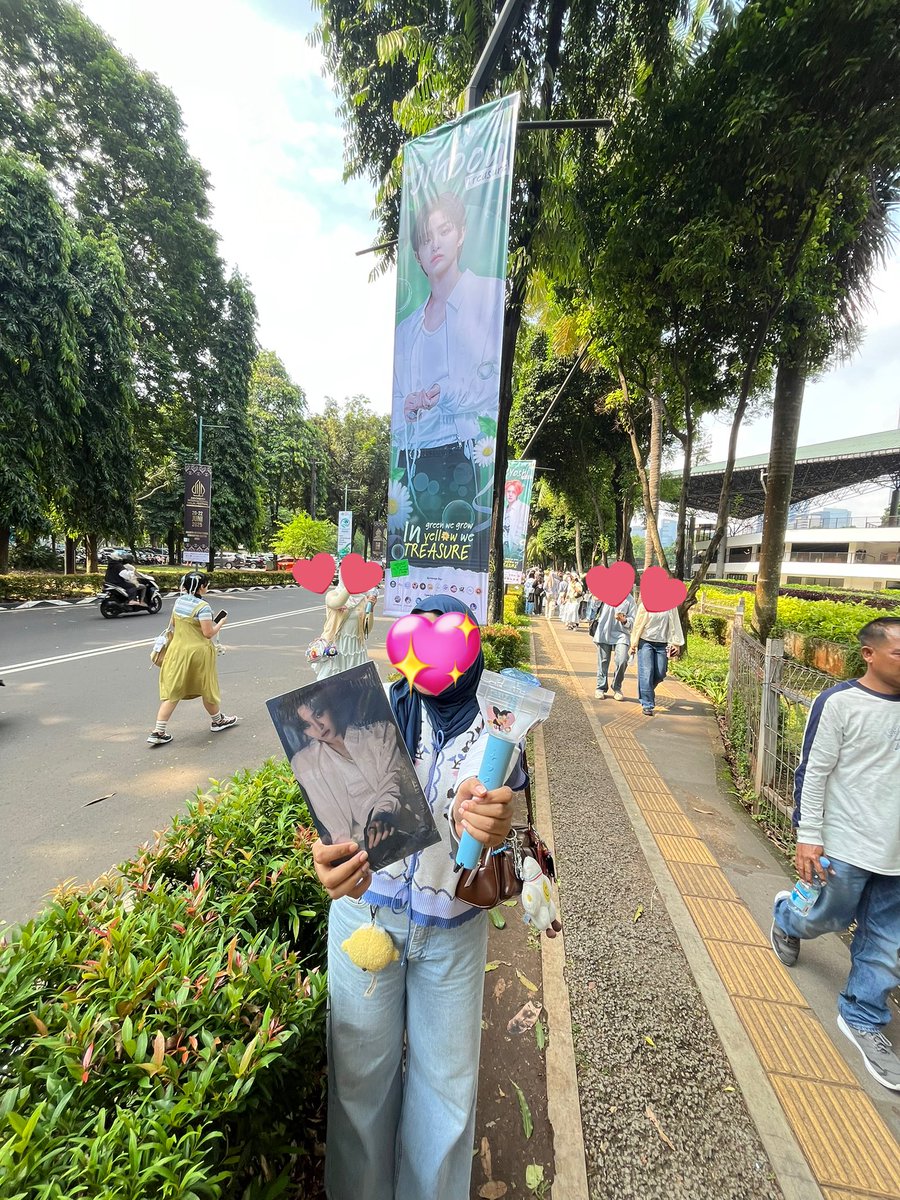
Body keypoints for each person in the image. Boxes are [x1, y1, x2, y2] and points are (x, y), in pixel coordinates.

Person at [312, 595, 524, 1200]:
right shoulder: (368, 709)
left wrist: (482, 820)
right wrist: (330, 862)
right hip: (364, 921)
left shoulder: (499, 725)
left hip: (453, 934)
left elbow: (479, 799)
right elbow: (335, 816)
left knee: (446, 1097)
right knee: (357, 1089)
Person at [769, 617, 900, 1092]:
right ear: (869, 653)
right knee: (826, 918)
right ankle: (787, 916)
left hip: (896, 854)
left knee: (887, 943)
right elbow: (814, 770)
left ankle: (863, 1017)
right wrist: (808, 834)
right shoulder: (840, 703)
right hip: (847, 844)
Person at [391, 192, 505, 574]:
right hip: (414, 461)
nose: (434, 243)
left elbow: (489, 388)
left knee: (459, 572)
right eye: (425, 238)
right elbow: (394, 404)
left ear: (461, 234)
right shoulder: (406, 331)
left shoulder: (486, 295)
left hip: (463, 457)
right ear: (418, 254)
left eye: (444, 230)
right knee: (412, 572)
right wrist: (406, 406)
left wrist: (446, 394)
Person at [290, 699, 404, 854]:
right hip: (356, 850)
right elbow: (332, 823)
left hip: (398, 828)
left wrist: (381, 815)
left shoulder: (379, 733)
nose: (319, 727)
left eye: (318, 714)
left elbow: (392, 779)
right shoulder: (305, 763)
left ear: (330, 707)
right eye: (307, 725)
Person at [147, 573, 236, 746]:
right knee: (207, 687)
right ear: (202, 587)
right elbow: (208, 633)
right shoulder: (203, 607)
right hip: (198, 654)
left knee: (173, 690)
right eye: (206, 584)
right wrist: (221, 622)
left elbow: (173, 623)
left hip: (177, 651)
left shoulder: (179, 602)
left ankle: (158, 731)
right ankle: (217, 721)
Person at [628, 600, 684, 715]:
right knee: (646, 672)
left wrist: (676, 643)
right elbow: (638, 624)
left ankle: (646, 689)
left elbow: (675, 624)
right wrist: (633, 644)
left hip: (662, 644)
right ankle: (647, 704)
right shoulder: (645, 604)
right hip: (645, 642)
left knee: (660, 673)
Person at [312, 584, 369, 680]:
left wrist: (370, 608)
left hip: (355, 647)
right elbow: (337, 603)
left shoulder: (363, 599)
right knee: (329, 681)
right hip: (336, 646)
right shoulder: (332, 595)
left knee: (355, 681)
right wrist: (350, 584)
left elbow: (367, 629)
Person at [592, 591, 636, 700]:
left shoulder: (629, 599)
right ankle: (600, 687)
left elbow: (633, 619)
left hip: (622, 634)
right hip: (604, 631)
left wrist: (624, 620)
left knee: (622, 660)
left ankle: (617, 686)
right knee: (603, 661)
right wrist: (596, 599)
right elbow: (593, 607)